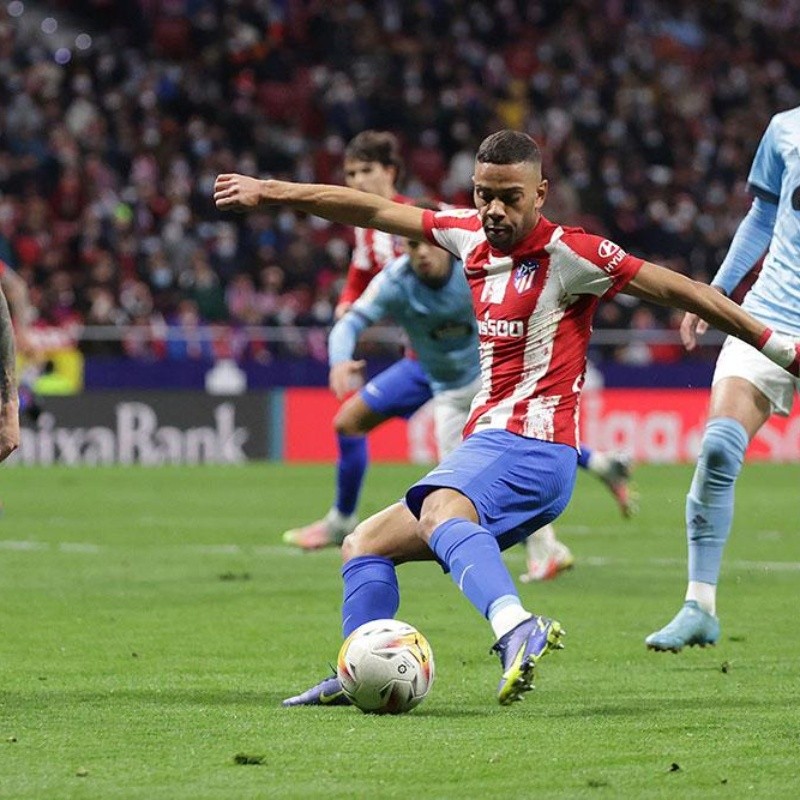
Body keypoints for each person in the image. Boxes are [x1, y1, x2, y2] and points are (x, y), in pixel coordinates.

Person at [215, 130, 800, 705]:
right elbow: (368, 209)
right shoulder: (466, 236)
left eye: (509, 197)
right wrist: (269, 191)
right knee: (364, 544)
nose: (493, 209)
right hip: (492, 442)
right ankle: (357, 673)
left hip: (536, 448)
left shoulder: (573, 253)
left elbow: (684, 290)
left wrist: (776, 347)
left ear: (540, 194)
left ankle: (516, 625)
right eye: (482, 194)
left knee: (444, 505)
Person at [283, 201, 634, 575]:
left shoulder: (476, 270)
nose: (422, 254)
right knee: (459, 488)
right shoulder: (393, 282)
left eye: (427, 244)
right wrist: (339, 359)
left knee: (499, 470)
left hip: (494, 386)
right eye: (412, 247)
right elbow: (348, 324)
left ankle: (531, 557)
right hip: (447, 393)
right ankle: (591, 475)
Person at [645, 106, 800, 652]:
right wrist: (715, 294)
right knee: (717, 449)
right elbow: (763, 213)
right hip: (771, 317)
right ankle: (699, 607)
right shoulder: (785, 129)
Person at [282, 130, 413, 547]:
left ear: (390, 172)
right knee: (349, 422)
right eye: (350, 173)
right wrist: (347, 307)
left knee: (497, 443)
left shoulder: (418, 219)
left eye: (366, 171)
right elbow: (360, 272)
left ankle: (544, 543)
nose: (356, 182)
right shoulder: (367, 227)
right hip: (422, 358)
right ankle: (341, 519)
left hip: (464, 356)